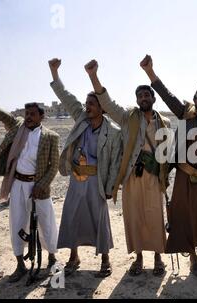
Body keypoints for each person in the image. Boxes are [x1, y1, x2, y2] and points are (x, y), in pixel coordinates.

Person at [140, 54, 197, 278]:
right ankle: (193, 261)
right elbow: (168, 97)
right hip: (185, 177)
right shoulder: (186, 114)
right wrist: (151, 73)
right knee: (185, 218)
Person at [85, 59, 170, 277]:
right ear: (137, 100)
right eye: (140, 96)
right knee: (135, 217)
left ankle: (159, 258)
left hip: (153, 177)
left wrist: (164, 176)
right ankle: (139, 259)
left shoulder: (164, 123)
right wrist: (93, 76)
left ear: (153, 98)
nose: (143, 98)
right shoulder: (127, 117)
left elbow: (167, 154)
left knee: (154, 217)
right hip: (132, 175)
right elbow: (107, 102)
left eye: (147, 95)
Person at [49, 58, 122, 277]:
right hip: (76, 179)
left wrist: (111, 187)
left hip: (97, 181)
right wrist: (54, 73)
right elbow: (66, 96)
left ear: (102, 108)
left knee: (99, 218)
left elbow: (115, 162)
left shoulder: (113, 131)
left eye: (91, 104)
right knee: (72, 215)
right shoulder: (81, 118)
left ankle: (105, 259)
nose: (87, 107)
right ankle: (74, 256)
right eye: (86, 103)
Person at [0, 98, 59, 283]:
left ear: (42, 116)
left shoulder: (51, 136)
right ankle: (20, 265)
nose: (28, 117)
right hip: (18, 184)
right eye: (26, 114)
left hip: (40, 187)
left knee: (46, 222)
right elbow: (0, 113)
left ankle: (51, 258)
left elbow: (54, 166)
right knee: (17, 223)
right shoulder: (18, 127)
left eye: (33, 114)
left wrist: (42, 186)